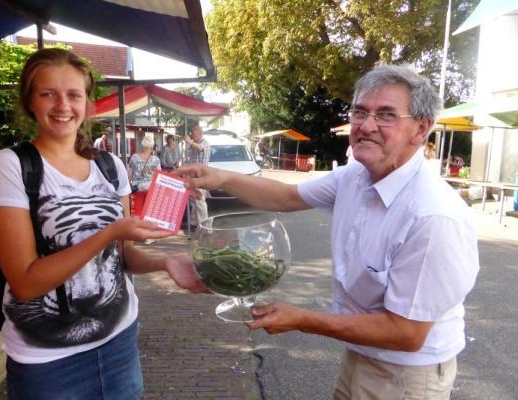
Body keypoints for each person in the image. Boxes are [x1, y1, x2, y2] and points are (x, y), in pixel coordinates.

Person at [176, 64, 479, 399]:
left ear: (420, 129)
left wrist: (302, 319)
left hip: (407, 375)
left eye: (387, 115)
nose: (366, 125)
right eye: (360, 112)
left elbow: (406, 333)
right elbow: (288, 196)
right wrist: (221, 177)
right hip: (362, 352)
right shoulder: (355, 176)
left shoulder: (433, 216)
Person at [0, 48, 204, 400]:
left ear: (87, 102)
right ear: (30, 102)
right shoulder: (10, 166)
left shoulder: (110, 166)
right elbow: (24, 283)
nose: (62, 105)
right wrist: (110, 231)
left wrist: (165, 261)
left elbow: (123, 257)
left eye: (73, 94)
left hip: (120, 343)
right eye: (48, 93)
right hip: (48, 365)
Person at [128, 135, 161, 218]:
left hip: (137, 188)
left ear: (143, 146)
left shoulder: (134, 157)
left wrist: (129, 186)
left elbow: (129, 174)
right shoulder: (156, 159)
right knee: (150, 212)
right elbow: (159, 176)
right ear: (151, 146)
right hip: (151, 188)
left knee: (136, 211)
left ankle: (136, 229)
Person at [184, 126, 210, 228]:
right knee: (193, 200)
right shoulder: (193, 145)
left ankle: (205, 227)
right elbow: (188, 157)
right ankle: (195, 223)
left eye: (193, 133)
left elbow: (200, 148)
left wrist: (189, 142)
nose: (192, 135)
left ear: (199, 133)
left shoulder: (205, 143)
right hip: (192, 177)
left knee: (200, 201)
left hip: (201, 177)